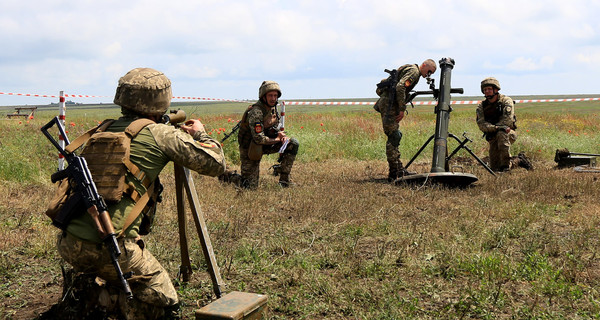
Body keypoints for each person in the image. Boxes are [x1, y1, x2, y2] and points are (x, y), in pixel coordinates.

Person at [46, 68, 226, 319]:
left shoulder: (103, 129)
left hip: (69, 242)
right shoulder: (161, 134)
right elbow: (217, 164)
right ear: (162, 100)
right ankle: (107, 305)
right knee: (167, 302)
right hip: (110, 246)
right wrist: (200, 134)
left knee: (114, 270)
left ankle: (89, 296)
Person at [374, 59, 437, 181]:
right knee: (394, 136)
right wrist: (402, 109)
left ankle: (398, 169)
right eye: (429, 71)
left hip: (390, 103)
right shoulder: (414, 72)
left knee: (395, 135)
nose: (428, 75)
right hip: (389, 104)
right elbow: (401, 86)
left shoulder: (413, 70)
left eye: (431, 73)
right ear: (424, 65)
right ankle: (394, 172)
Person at [236, 80, 299, 189]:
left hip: (265, 143)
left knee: (292, 143)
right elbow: (258, 138)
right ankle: (228, 176)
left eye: (275, 95)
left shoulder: (272, 108)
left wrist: (281, 136)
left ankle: (284, 180)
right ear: (263, 96)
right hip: (250, 149)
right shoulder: (256, 112)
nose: (273, 98)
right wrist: (278, 139)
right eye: (270, 95)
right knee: (249, 187)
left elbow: (274, 126)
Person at [476, 77, 533, 172]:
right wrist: (495, 128)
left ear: (496, 89)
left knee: (501, 134)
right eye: (485, 90)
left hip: (508, 133)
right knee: (495, 167)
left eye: (489, 89)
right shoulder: (481, 106)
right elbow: (481, 124)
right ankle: (518, 161)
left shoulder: (506, 101)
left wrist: (498, 128)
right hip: (493, 134)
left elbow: (508, 120)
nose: (487, 91)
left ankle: (506, 167)